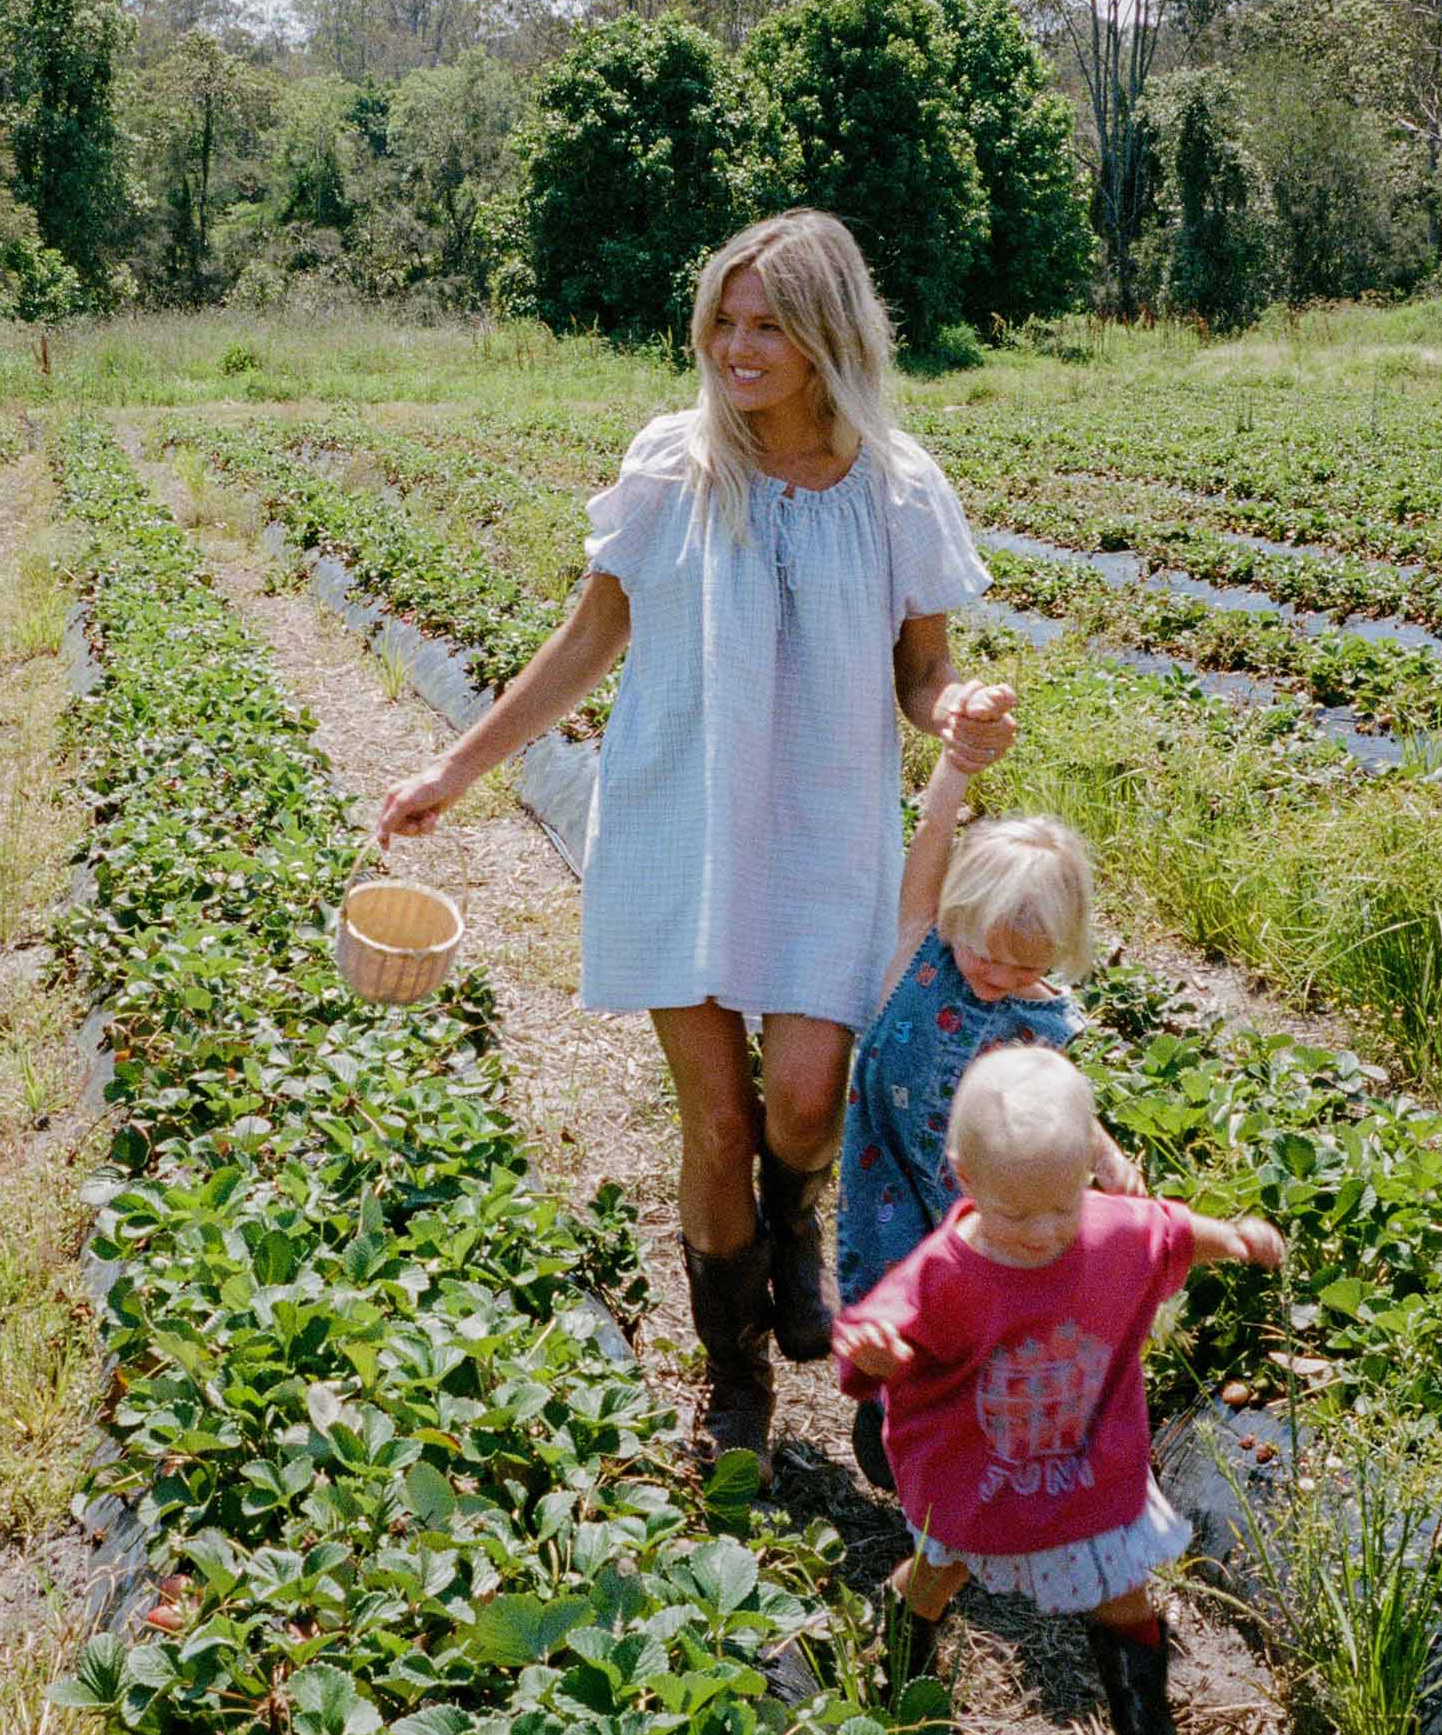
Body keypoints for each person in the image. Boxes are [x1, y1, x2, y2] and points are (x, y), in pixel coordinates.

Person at [375, 209, 1011, 1484]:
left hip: (825, 831)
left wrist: (956, 712)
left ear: (827, 331)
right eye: (722, 317)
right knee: (715, 1124)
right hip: (679, 822)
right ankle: (735, 1390)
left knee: (804, 1099)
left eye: (766, 320)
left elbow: (921, 669)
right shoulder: (674, 467)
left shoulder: (895, 486)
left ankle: (798, 1222)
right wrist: (455, 766)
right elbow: (584, 641)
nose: (735, 343)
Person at [833, 1042, 1283, 1735]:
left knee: (1122, 1590)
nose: (1043, 1232)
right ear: (965, 1179)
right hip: (979, 1470)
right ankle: (897, 1688)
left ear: (1087, 1173)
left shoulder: (1106, 1231)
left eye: (1062, 1206)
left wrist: (1235, 1237)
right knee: (943, 1571)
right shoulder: (942, 1272)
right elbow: (872, 1347)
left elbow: (1168, 1231)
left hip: (1085, 1466)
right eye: (1016, 1213)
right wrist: (877, 1355)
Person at [838, 759, 1142, 1495]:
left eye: (1018, 967)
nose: (992, 975)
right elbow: (935, 831)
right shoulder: (920, 947)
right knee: (882, 1289)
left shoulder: (1034, 1020)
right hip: (886, 1168)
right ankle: (885, 1418)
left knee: (969, 1311)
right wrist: (956, 765)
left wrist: (1105, 1157)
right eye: (982, 953)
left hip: (970, 1198)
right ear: (955, 913)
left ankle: (972, 1440)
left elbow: (1057, 1100)